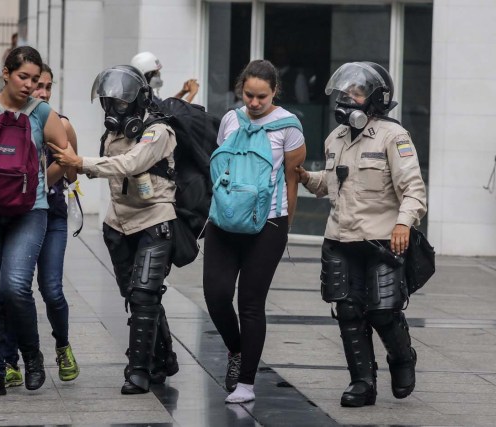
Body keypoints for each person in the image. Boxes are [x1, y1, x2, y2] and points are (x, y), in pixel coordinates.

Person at [296, 61, 427, 407]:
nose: (348, 97)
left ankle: (402, 358)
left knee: (383, 312)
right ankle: (362, 383)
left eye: (357, 92)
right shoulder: (334, 138)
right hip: (340, 240)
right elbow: (330, 182)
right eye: (346, 92)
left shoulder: (393, 136)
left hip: (382, 241)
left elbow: (413, 188)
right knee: (349, 313)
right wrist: (307, 178)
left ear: (376, 99)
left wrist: (404, 223)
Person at [48, 65, 180, 395]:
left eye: (119, 104)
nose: (113, 111)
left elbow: (131, 164)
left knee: (144, 294)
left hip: (154, 221)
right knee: (136, 297)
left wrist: (81, 163)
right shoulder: (113, 133)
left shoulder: (157, 131)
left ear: (137, 101)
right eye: (107, 104)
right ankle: (164, 360)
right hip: (118, 225)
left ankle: (139, 370)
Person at [0, 46, 69, 399]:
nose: (29, 85)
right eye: (24, 77)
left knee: (15, 286)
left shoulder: (43, 113)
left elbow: (65, 157)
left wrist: (38, 184)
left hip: (29, 213)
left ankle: (32, 355)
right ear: (5, 72)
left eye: (35, 79)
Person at [203, 59, 306, 404]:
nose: (254, 103)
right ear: (241, 90)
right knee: (216, 295)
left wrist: (285, 226)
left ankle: (246, 381)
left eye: (262, 96)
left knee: (250, 302)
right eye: (249, 95)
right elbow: (224, 166)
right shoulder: (231, 119)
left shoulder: (290, 127)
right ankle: (237, 351)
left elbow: (292, 180)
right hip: (226, 219)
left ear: (275, 91)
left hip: (268, 223)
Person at [2, 63, 80, 388]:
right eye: (38, 86)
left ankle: (62, 345)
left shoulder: (59, 123)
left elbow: (74, 172)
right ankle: (10, 359)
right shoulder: (9, 124)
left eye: (48, 86)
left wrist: (53, 169)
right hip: (17, 217)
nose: (43, 92)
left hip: (53, 216)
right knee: (13, 288)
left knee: (51, 289)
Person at [130, 51, 199, 103]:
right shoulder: (141, 97)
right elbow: (172, 113)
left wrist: (182, 92)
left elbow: (166, 107)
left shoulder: (147, 93)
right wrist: (192, 93)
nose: (158, 77)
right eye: (154, 73)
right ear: (145, 75)